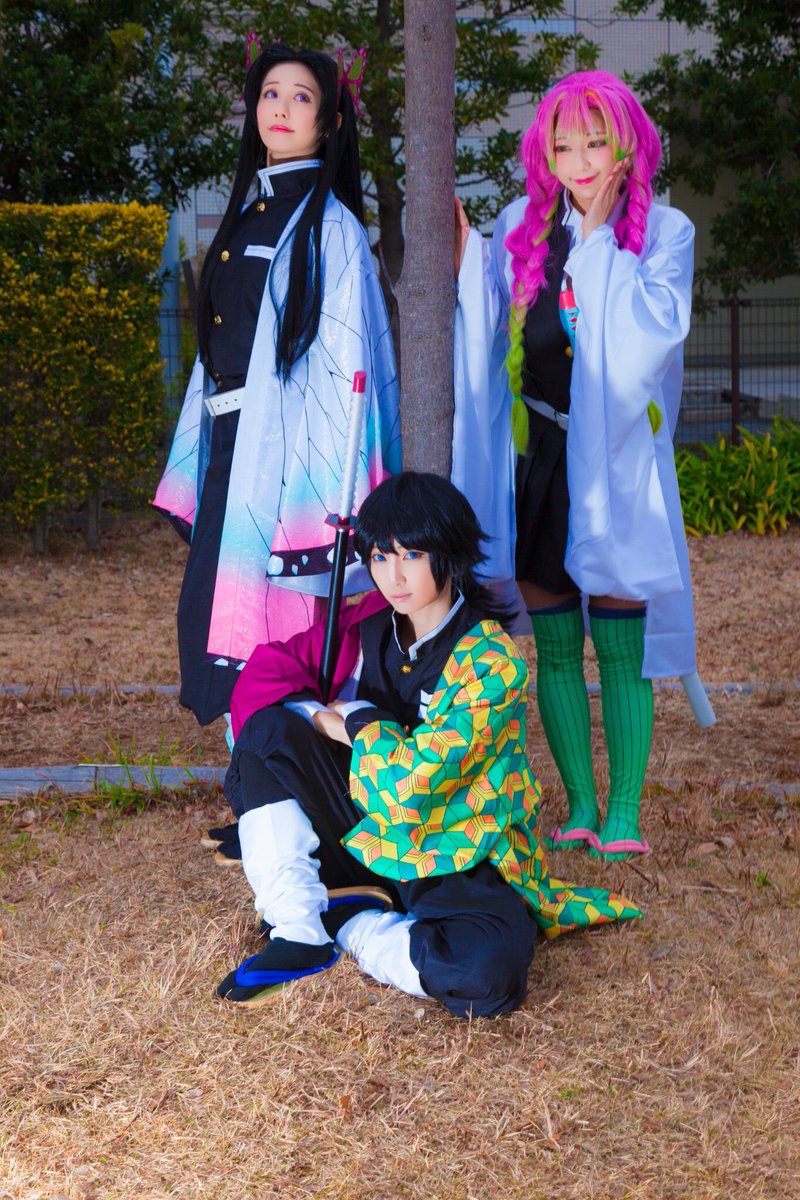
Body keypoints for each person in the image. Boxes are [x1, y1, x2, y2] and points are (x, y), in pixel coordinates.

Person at [217, 472, 642, 1018]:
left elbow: (414, 786)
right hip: (368, 828)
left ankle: (349, 922)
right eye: (379, 557)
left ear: (451, 554)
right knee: (267, 731)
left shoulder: (492, 661)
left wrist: (357, 721)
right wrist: (318, 718)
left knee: (487, 976)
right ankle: (298, 931)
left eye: (411, 556)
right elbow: (270, 682)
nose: (392, 576)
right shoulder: (371, 625)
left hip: (457, 845)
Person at [453, 70, 710, 861]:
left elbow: (644, 345)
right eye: (564, 147)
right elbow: (489, 324)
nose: (582, 162)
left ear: (629, 144)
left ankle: (624, 810)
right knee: (558, 643)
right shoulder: (523, 227)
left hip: (622, 464)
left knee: (621, 644)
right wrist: (465, 256)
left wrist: (599, 242)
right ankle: (580, 806)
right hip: (544, 460)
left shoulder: (664, 232)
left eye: (597, 142)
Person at [153, 43, 400, 728]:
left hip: (291, 460)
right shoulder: (248, 216)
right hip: (230, 441)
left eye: (301, 97)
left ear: (330, 121)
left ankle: (281, 782)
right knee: (217, 614)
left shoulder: (334, 230)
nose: (282, 108)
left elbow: (347, 377)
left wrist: (326, 499)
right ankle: (251, 777)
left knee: (282, 625)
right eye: (270, 93)